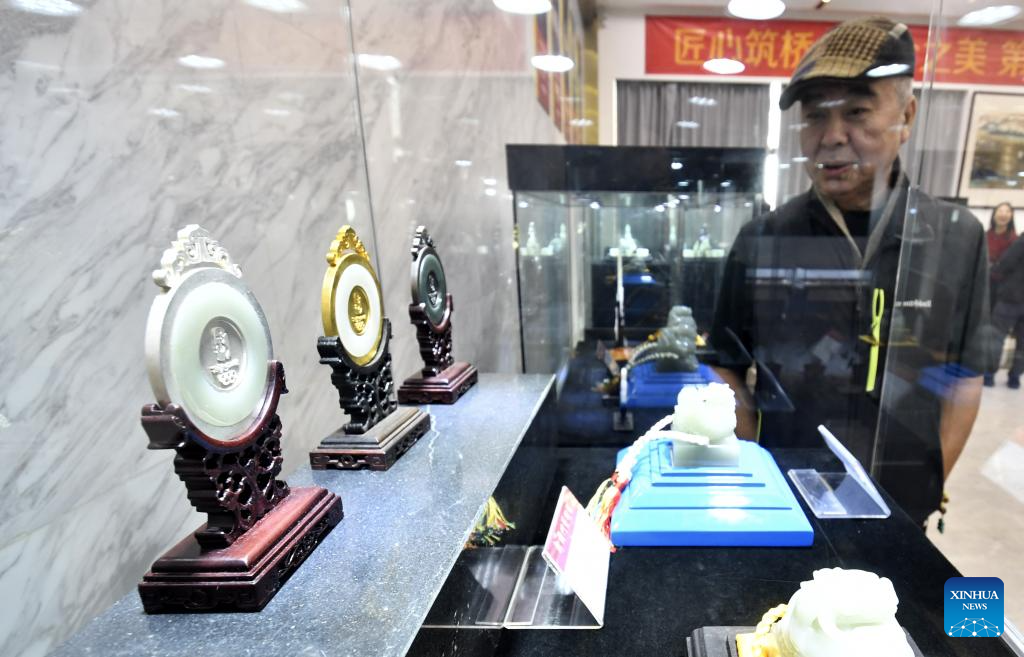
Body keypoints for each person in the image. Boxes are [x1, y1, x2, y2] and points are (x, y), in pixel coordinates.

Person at [711, 17, 991, 527]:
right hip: (787, 501)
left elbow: (964, 379)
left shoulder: (955, 237)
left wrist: (926, 489)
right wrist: (755, 469)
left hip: (901, 506)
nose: (833, 137)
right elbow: (726, 366)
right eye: (815, 116)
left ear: (906, 115)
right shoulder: (763, 239)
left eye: (858, 112)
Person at [984, 202, 1018, 386]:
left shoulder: (1015, 240)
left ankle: (992, 372)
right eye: (1000, 210)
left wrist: (995, 268)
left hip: (1004, 292)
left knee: (996, 333)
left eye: (1007, 211)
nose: (1003, 214)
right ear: (994, 213)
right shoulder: (985, 235)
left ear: (1011, 216)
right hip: (984, 286)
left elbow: (1009, 265)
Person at [990, 227, 1024, 388]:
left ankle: (988, 375)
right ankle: (1015, 378)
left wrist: (994, 272)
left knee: (997, 337)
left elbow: (1006, 262)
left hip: (1011, 297)